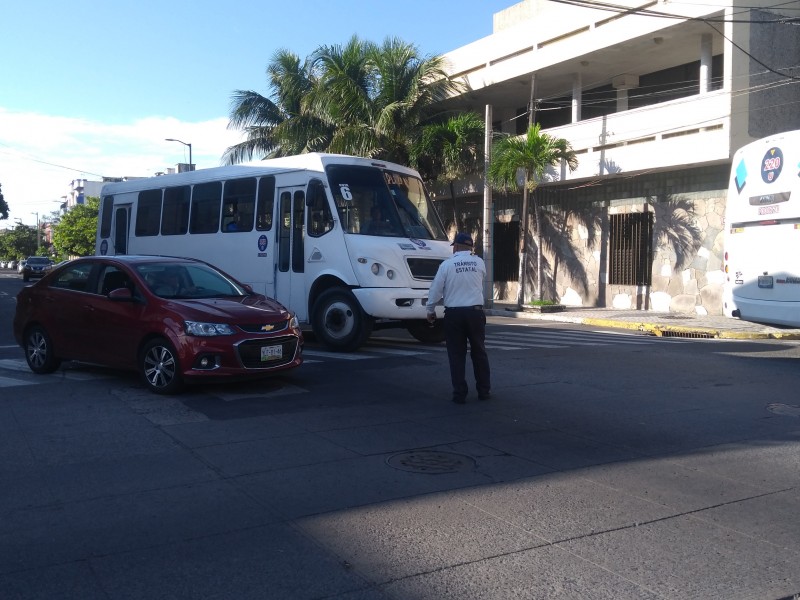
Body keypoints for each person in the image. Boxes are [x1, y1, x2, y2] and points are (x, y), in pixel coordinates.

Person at [426, 232, 491, 404]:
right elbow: (480, 279)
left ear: (455, 247)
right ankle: (484, 391)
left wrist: (430, 309)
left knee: (456, 354)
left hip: (454, 314)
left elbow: (435, 289)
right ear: (470, 248)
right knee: (479, 352)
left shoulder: (447, 265)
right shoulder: (479, 262)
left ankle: (459, 393)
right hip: (475, 313)